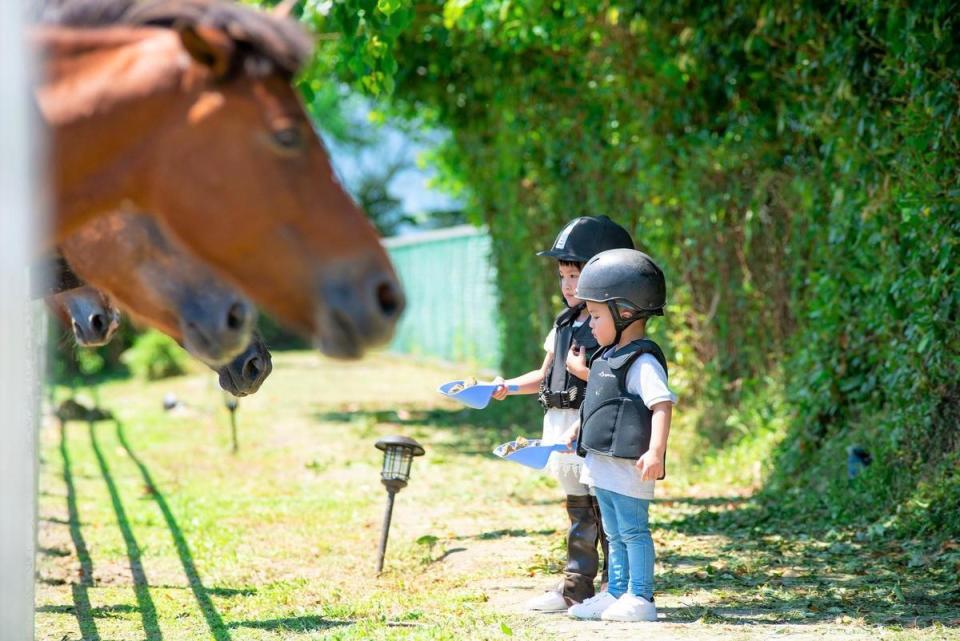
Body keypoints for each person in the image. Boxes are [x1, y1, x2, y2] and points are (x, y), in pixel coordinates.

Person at [491, 216, 634, 611]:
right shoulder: (565, 324)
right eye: (563, 276)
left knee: (606, 510)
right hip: (560, 425)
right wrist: (507, 386)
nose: (569, 286)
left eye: (577, 275)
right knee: (578, 512)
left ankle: (614, 588)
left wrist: (583, 374)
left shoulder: (613, 327)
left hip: (592, 427)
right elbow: (543, 374)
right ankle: (576, 587)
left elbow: (613, 383)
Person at [560, 248, 676, 622]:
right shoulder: (607, 355)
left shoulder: (642, 361)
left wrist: (656, 451)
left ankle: (640, 596)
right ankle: (616, 592)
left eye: (595, 315)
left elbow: (662, 404)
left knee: (632, 531)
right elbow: (598, 400)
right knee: (612, 531)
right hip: (602, 464)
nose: (590, 324)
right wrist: (579, 428)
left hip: (628, 466)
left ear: (625, 312)